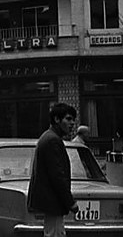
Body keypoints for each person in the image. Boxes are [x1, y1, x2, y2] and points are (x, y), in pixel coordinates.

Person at [28, 102, 79, 237]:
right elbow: (57, 176)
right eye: (68, 119)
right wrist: (70, 202)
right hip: (53, 202)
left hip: (51, 202)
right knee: (55, 233)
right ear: (57, 119)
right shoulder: (52, 140)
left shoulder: (49, 137)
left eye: (73, 119)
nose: (72, 123)